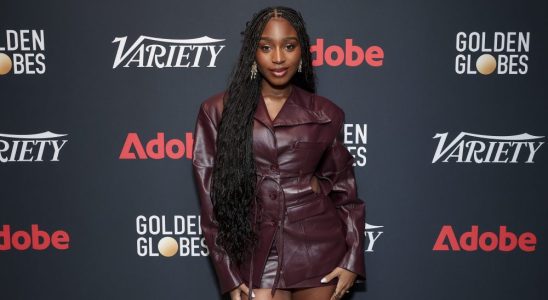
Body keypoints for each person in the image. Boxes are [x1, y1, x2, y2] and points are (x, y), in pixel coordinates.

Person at [192, 6, 365, 300]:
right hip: (254, 251)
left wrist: (352, 260)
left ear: (301, 52)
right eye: (266, 47)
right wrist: (229, 275)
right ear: (252, 53)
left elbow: (344, 192)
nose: (278, 57)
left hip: (319, 249)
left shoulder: (326, 113)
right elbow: (211, 200)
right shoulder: (218, 111)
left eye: (288, 46)